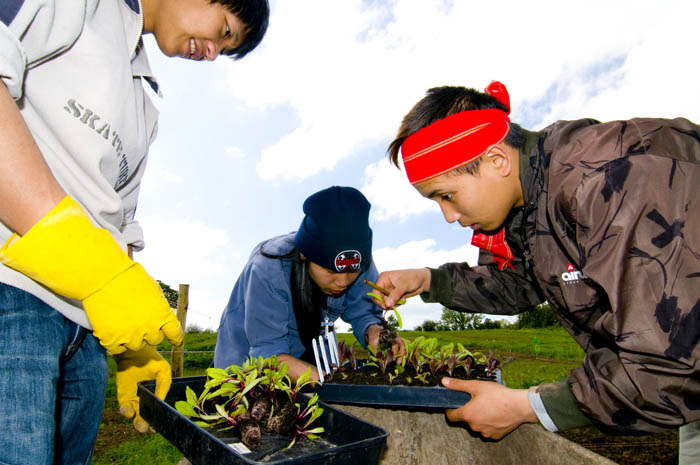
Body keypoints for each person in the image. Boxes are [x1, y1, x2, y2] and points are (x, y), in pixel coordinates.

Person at [0, 0, 269, 463]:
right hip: (16, 296)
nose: (212, 54)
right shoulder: (84, 8)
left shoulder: (145, 107)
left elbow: (118, 223)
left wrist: (131, 349)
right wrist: (88, 267)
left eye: (225, 50)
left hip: (86, 328)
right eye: (224, 30)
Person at [374, 81, 700, 456]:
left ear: (497, 159)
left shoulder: (606, 182)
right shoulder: (530, 203)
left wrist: (526, 406)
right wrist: (428, 281)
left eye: (446, 196)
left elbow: (670, 361)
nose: (448, 216)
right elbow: (520, 284)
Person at [214, 186, 405, 381]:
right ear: (304, 254)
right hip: (248, 364)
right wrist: (329, 384)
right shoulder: (268, 269)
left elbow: (364, 314)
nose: (343, 281)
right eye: (330, 271)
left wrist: (375, 333)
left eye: (353, 271)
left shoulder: (354, 261)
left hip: (309, 353)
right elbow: (268, 353)